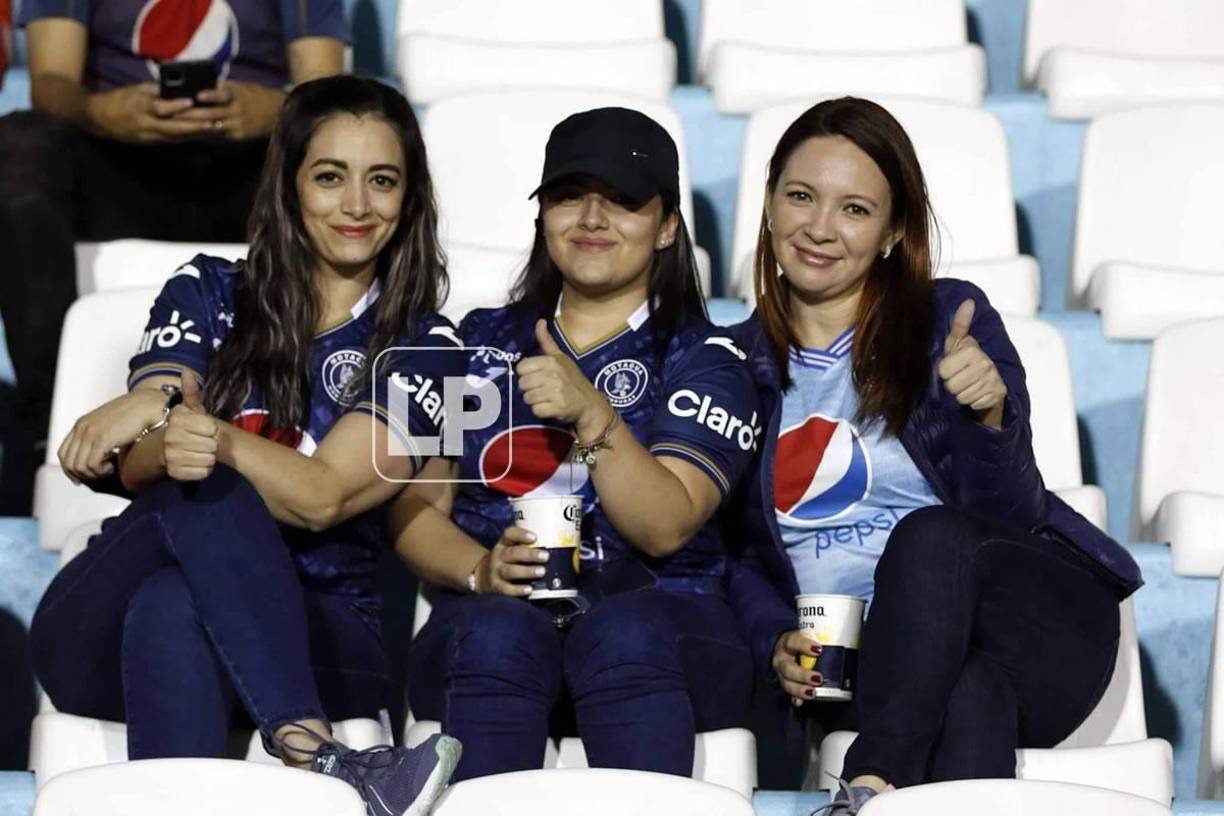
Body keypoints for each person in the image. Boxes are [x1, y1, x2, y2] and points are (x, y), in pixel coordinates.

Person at [30, 76, 462, 815]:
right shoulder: (208, 287)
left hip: (323, 634)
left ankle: (302, 734)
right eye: (330, 177)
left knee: (177, 589)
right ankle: (322, 755)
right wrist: (154, 403)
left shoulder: (436, 353)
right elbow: (140, 463)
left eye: (381, 181)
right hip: (97, 635)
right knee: (196, 496)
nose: (357, 205)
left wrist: (197, 432)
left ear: (410, 198)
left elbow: (324, 496)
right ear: (289, 186)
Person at [723, 97, 1143, 813]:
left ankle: (871, 781)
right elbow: (726, 548)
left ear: (892, 233)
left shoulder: (948, 320)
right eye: (800, 196)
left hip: (1030, 625)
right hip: (857, 663)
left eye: (854, 209)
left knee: (930, 537)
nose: (820, 227)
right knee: (971, 696)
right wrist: (773, 640)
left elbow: (1006, 517)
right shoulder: (727, 365)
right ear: (767, 206)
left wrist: (988, 415)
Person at [390, 107, 760, 782]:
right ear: (542, 215)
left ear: (668, 225)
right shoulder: (474, 338)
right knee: (500, 631)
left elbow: (665, 528)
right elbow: (414, 511)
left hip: (666, 620)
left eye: (622, 200)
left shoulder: (709, 355)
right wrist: (481, 570)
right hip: (491, 626)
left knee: (622, 633)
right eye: (568, 196)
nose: (592, 218)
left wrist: (595, 414)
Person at [0, 0, 345, 507]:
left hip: (250, 166)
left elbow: (328, 93)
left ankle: (315, 424)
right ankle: (44, 426)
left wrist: (271, 109)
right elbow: (51, 83)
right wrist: (102, 111)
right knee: (19, 145)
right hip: (117, 162)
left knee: (335, 150)